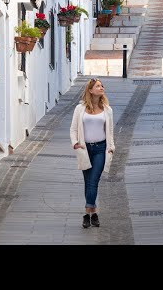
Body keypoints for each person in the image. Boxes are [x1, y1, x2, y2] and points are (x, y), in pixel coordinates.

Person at [70, 78, 115, 228]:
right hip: (85, 149)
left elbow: (110, 131)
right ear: (90, 90)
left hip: (100, 149)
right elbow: (73, 129)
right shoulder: (80, 109)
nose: (101, 87)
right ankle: (92, 214)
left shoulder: (107, 110)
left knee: (94, 180)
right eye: (97, 86)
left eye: (102, 85)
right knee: (88, 182)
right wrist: (75, 143)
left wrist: (111, 147)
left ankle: (87, 212)